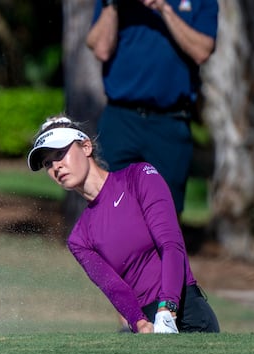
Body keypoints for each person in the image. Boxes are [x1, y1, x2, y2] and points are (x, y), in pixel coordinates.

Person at [27, 115, 219, 333]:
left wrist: (168, 308)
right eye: (47, 163)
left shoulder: (139, 177)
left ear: (86, 146)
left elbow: (171, 244)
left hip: (186, 310)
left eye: (61, 153)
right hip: (148, 324)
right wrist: (139, 323)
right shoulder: (79, 238)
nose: (56, 167)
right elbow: (114, 288)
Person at [86, 0, 219, 215]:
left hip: (170, 123)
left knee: (165, 218)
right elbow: (100, 48)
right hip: (120, 121)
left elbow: (202, 51)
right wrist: (112, 6)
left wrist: (163, 7)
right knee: (109, 211)